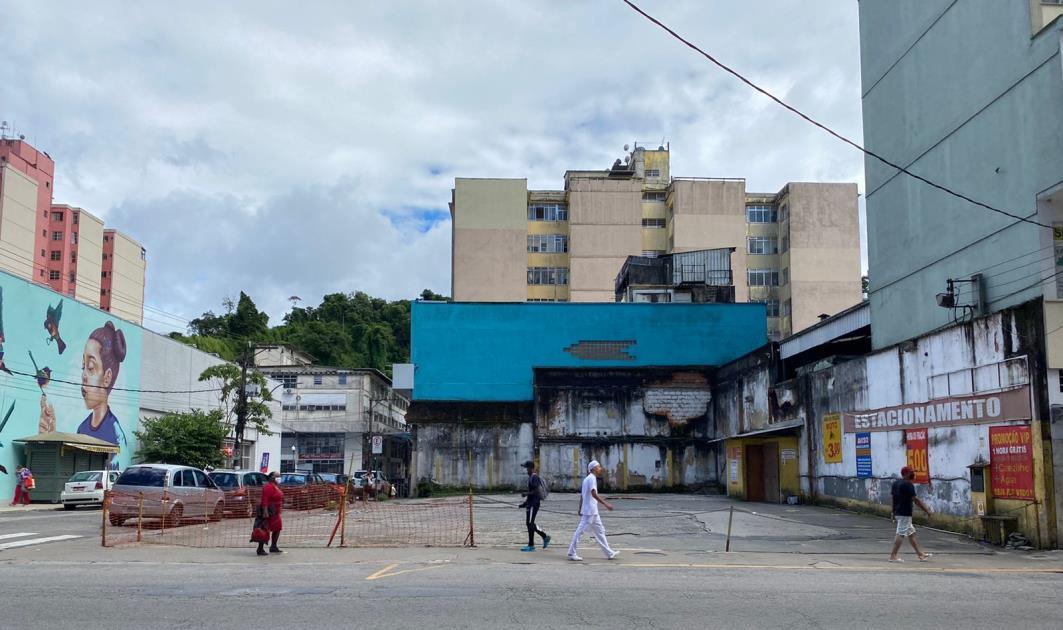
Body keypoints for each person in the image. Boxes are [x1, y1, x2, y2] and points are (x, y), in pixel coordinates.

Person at [77, 322, 128, 446]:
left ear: (107, 378)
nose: (83, 376)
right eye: (83, 367)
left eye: (90, 368)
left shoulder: (116, 436)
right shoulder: (81, 429)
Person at [567, 460, 619, 561]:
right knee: (580, 531)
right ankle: (571, 552)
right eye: (598, 467)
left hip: (592, 511)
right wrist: (606, 504)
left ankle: (609, 553)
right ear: (593, 468)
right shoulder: (591, 478)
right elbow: (593, 494)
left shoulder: (587, 479)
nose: (600, 468)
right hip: (589, 511)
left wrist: (580, 508)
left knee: (600, 531)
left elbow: (582, 495)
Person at [889, 466, 933, 563]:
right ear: (905, 474)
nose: (913, 474)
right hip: (905, 513)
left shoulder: (896, 483)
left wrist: (893, 511)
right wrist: (927, 510)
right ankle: (893, 556)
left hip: (898, 512)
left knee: (911, 533)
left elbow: (893, 498)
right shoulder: (908, 485)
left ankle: (920, 555)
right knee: (901, 534)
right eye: (910, 473)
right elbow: (916, 500)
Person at [518, 460, 550, 552]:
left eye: (526, 468)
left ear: (531, 468)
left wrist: (526, 494)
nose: (526, 470)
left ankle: (541, 539)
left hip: (534, 504)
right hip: (530, 503)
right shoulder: (531, 477)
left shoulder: (534, 477)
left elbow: (536, 491)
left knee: (530, 524)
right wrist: (524, 504)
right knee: (529, 524)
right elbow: (531, 493)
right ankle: (534, 543)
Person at [257, 471, 285, 556]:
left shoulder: (276, 486)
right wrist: (265, 511)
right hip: (269, 511)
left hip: (276, 511)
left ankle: (273, 546)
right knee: (264, 529)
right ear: (271, 478)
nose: (279, 478)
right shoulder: (268, 487)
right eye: (277, 476)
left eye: (279, 476)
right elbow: (264, 499)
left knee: (277, 528)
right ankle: (260, 548)